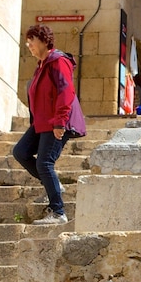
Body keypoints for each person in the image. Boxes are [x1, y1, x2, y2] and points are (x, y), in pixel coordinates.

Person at [13, 24, 86, 225]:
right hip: (42, 122)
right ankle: (55, 186)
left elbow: (66, 92)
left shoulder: (58, 61)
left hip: (58, 121)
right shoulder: (41, 65)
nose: (29, 46)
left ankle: (58, 212)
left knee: (44, 163)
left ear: (44, 41)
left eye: (32, 41)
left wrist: (60, 122)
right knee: (20, 152)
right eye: (27, 42)